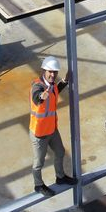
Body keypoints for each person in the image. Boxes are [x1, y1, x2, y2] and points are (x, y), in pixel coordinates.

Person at [29, 56, 76, 196]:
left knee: (60, 152)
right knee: (39, 162)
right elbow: (36, 96)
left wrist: (65, 81)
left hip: (52, 130)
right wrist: (41, 97)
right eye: (50, 71)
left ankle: (60, 177)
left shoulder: (53, 85)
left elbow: (56, 90)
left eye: (55, 72)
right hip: (39, 133)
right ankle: (38, 185)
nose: (52, 74)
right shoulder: (37, 86)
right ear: (44, 70)